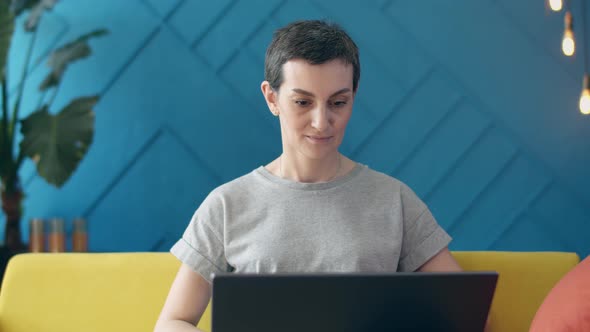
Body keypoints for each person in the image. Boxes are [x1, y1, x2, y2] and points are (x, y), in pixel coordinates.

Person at [154, 20, 466, 332]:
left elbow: (467, 316)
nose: (321, 122)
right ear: (272, 98)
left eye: (338, 102)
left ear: (354, 96)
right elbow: (172, 322)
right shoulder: (226, 205)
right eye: (303, 102)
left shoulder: (394, 200)